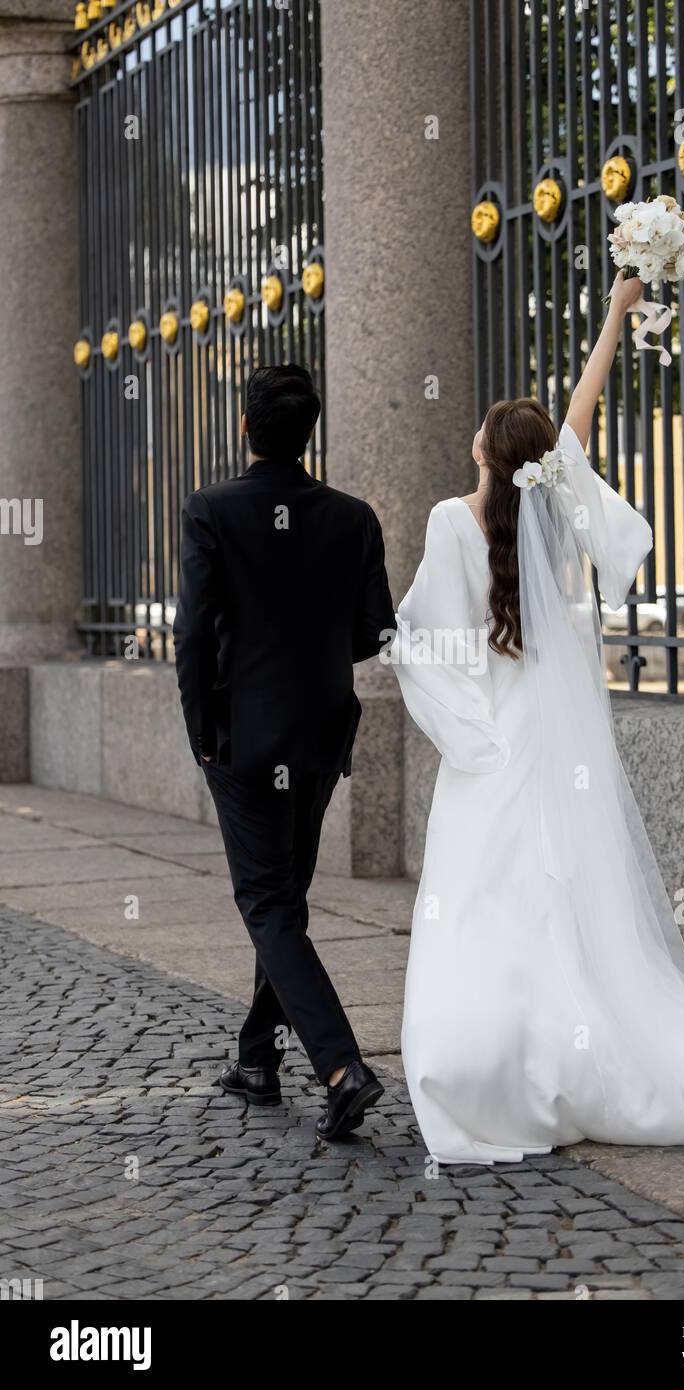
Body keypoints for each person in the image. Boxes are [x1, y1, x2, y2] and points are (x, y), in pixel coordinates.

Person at [392, 272, 684, 1193]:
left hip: (492, 743)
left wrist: (459, 724)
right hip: (552, 743)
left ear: (486, 450)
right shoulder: (561, 513)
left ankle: (483, 1074)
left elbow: (423, 639)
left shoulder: (452, 519)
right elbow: (583, 405)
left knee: (483, 901)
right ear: (541, 463)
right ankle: (578, 1060)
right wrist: (615, 312)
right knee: (565, 902)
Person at [173, 364, 392, 1140]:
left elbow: (193, 633)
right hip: (323, 734)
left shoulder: (211, 510)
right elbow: (372, 634)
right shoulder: (353, 517)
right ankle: (257, 1060)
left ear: (246, 429)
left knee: (266, 903)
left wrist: (202, 731)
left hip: (244, 737)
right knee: (283, 903)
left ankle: (340, 1068)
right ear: (310, 434)